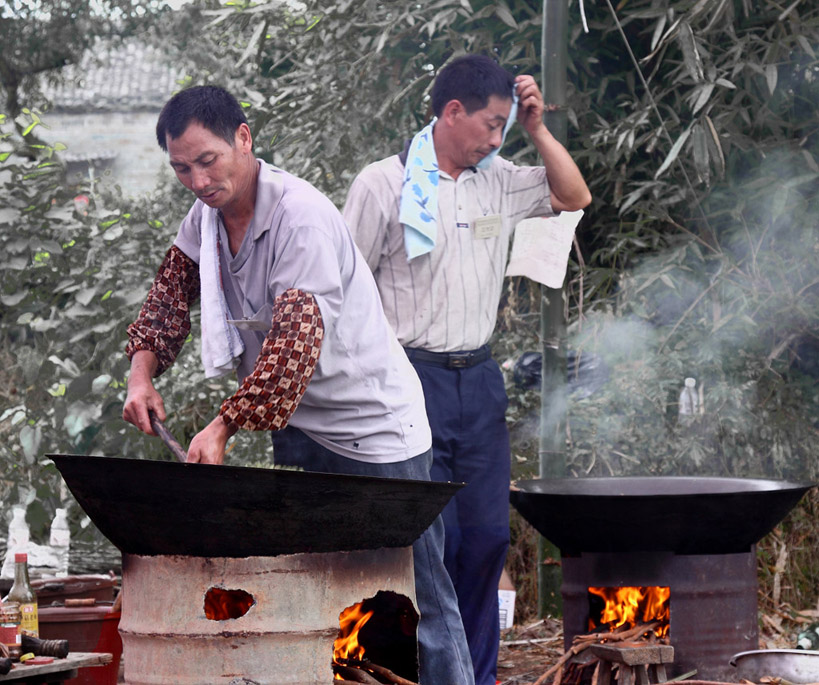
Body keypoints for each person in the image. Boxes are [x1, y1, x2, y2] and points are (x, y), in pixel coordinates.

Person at [122, 85, 474, 685]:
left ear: (243, 138)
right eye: (182, 168)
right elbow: (169, 298)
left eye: (208, 161)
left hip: (376, 429)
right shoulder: (204, 217)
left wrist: (222, 424)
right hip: (301, 428)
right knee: (322, 594)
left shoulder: (300, 215)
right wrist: (141, 373)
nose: (198, 180)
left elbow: (294, 348)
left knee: (419, 595)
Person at [342, 54, 592, 685]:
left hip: (478, 383)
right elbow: (344, 290)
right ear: (451, 112)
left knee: (484, 542)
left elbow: (574, 195)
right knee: (429, 548)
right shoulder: (382, 184)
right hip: (405, 381)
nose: (495, 136)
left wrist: (537, 130)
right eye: (491, 122)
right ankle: (414, 674)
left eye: (505, 125)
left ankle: (474, 677)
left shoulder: (500, 178)